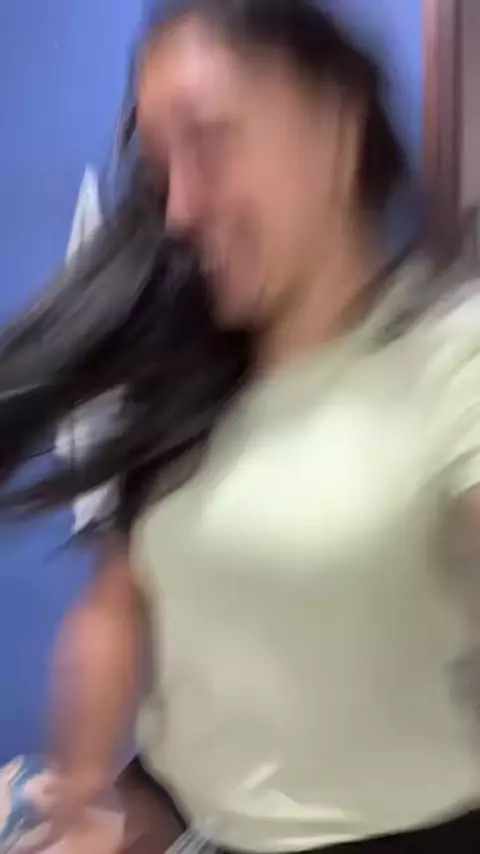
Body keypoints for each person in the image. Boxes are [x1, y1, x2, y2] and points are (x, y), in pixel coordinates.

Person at [1, 0, 480, 851]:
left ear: (336, 131)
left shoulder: (453, 362)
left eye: (213, 141)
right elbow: (118, 603)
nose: (180, 208)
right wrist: (85, 796)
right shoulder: (184, 370)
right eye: (162, 167)